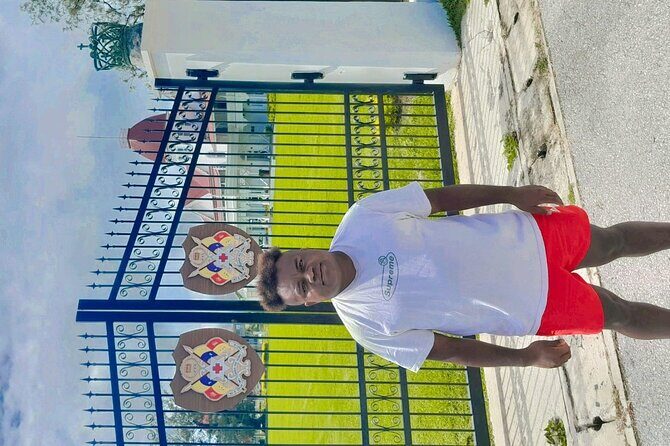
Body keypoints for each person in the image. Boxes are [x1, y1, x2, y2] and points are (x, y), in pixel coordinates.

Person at [256, 183, 670, 372]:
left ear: (302, 250)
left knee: (612, 241)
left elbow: (440, 199)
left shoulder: (362, 217)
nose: (309, 274)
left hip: (527, 237)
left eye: (299, 263)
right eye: (303, 287)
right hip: (531, 302)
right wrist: (525, 357)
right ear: (310, 302)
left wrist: (511, 193)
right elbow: (451, 350)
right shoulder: (367, 329)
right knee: (617, 313)